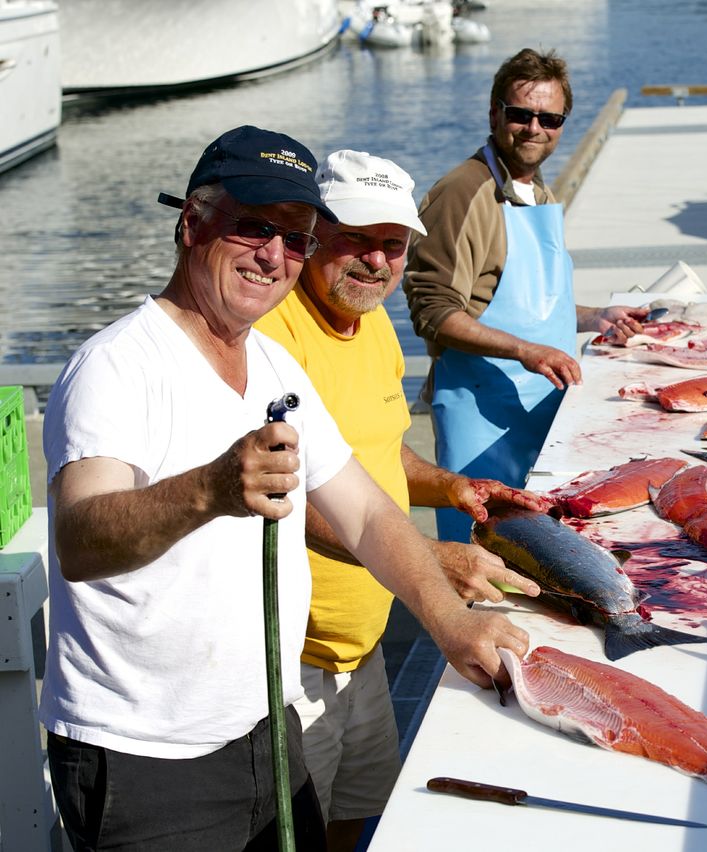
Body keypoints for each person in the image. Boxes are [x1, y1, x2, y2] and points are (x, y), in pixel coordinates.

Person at [40, 125, 529, 851]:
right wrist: (207, 489)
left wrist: (452, 623)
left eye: (296, 238)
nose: (274, 255)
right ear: (192, 223)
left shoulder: (273, 366)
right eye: (254, 228)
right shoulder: (114, 366)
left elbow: (366, 513)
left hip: (266, 727)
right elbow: (80, 541)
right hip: (147, 757)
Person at [255, 148, 548, 850]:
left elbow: (380, 450)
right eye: (356, 238)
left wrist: (449, 484)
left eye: (393, 244)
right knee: (297, 830)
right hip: (292, 661)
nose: (377, 262)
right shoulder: (271, 338)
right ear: (311, 232)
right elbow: (289, 499)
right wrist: (429, 559)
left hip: (367, 647)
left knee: (358, 815)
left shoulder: (375, 323)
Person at [403, 47, 649, 541]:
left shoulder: (538, 190)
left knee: (544, 554)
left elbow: (535, 303)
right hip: (482, 419)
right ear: (495, 113)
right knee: (484, 561)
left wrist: (597, 317)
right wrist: (524, 351)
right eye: (520, 114)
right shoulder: (462, 192)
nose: (534, 127)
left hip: (541, 408)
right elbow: (432, 311)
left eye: (549, 118)